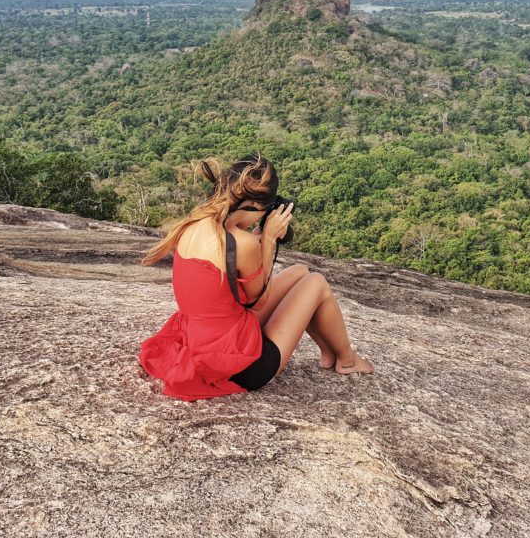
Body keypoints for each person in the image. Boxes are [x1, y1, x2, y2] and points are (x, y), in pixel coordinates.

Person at [138, 152, 374, 401]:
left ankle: (329, 352)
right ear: (259, 207)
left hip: (201, 340)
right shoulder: (243, 243)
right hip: (242, 366)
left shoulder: (193, 224)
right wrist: (268, 241)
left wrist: (259, 239)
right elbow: (257, 302)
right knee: (316, 282)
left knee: (299, 272)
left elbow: (225, 289)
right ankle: (347, 360)